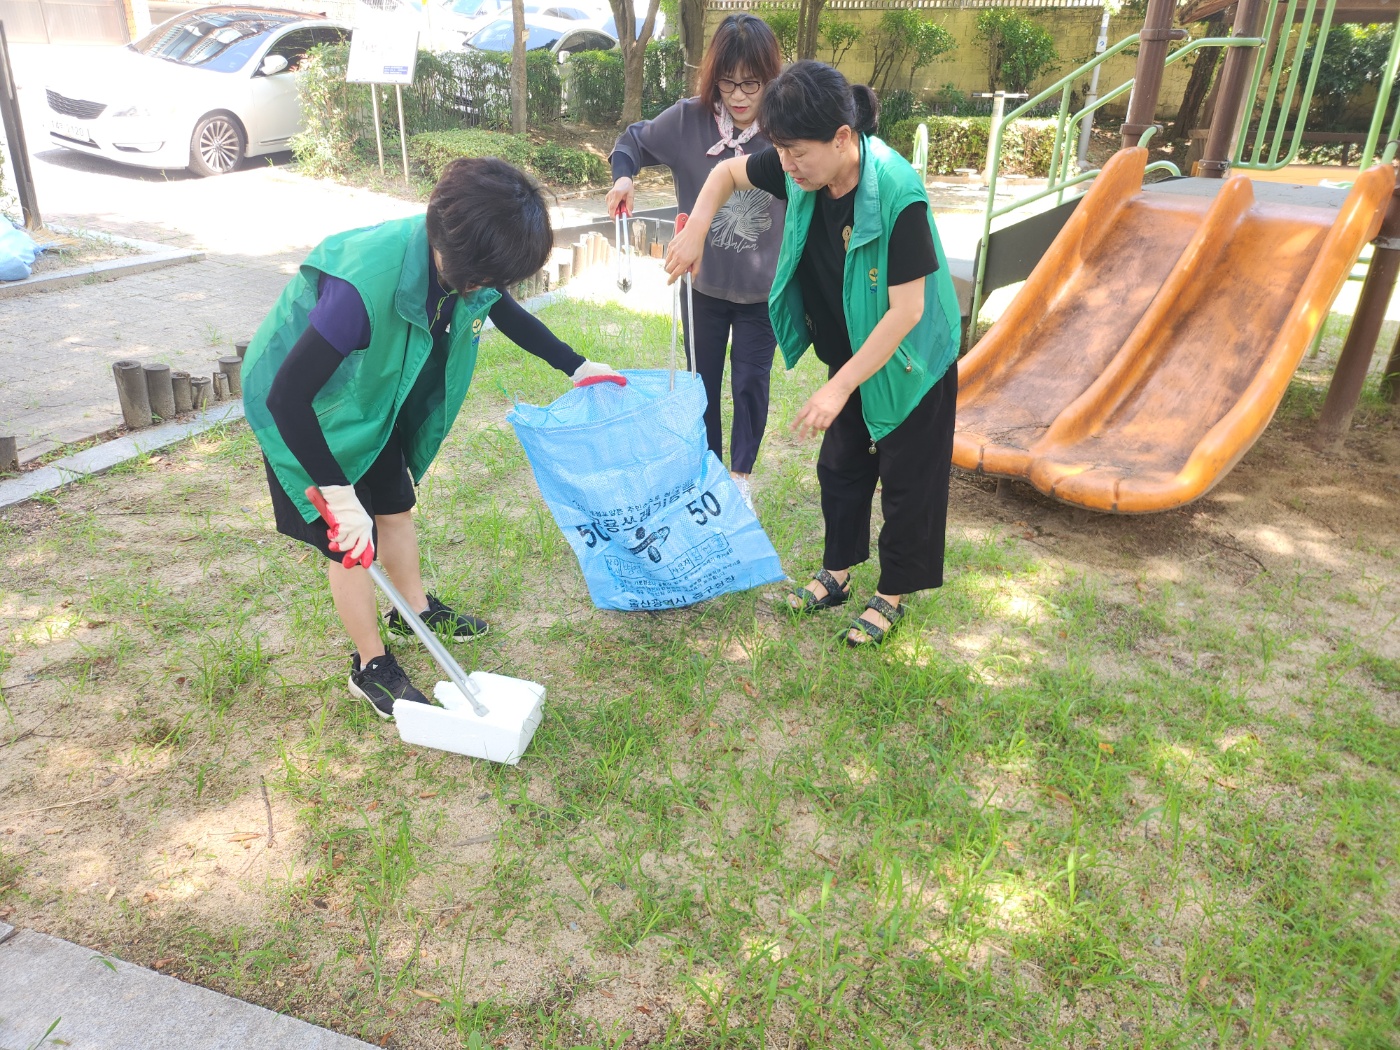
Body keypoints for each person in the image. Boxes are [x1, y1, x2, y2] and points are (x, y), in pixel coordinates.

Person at [242, 158, 619, 715]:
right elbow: (286, 397)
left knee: (394, 507)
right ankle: (370, 663)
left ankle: (412, 610)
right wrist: (338, 497)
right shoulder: (361, 287)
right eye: (483, 280)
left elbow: (504, 310)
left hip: (373, 397)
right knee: (352, 546)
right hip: (314, 410)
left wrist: (576, 365)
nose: (487, 289)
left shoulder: (464, 256)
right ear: (455, 252)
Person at [665, 61, 961, 647]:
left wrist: (839, 386)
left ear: (842, 138)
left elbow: (907, 312)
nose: (786, 164)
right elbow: (726, 172)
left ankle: (892, 595)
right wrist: (697, 228)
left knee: (908, 481)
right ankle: (838, 574)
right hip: (852, 347)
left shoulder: (898, 192)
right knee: (840, 466)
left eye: (796, 152)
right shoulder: (800, 167)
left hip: (912, 359)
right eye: (780, 150)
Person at [606, 12, 784, 510]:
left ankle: (740, 477)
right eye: (728, 82)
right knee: (700, 381)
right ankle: (708, 470)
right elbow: (632, 140)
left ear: (769, 78)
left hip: (763, 292)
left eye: (751, 83)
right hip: (701, 288)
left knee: (750, 383)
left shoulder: (784, 127)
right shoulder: (688, 119)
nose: (739, 96)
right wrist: (624, 177)